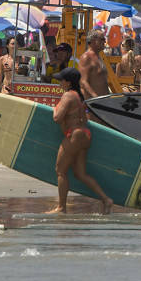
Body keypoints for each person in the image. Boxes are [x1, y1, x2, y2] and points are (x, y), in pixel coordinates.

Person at [48, 67, 113, 215]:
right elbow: (84, 119)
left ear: (68, 82)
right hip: (85, 134)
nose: (59, 83)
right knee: (80, 174)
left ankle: (61, 208)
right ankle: (106, 200)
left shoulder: (68, 96)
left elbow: (57, 118)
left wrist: (54, 108)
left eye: (61, 80)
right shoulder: (79, 96)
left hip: (74, 135)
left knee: (60, 171)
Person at [78, 29, 110, 100]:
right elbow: (83, 81)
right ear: (93, 40)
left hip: (103, 102)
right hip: (94, 104)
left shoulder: (98, 56)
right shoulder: (86, 57)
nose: (104, 41)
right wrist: (96, 97)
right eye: (102, 39)